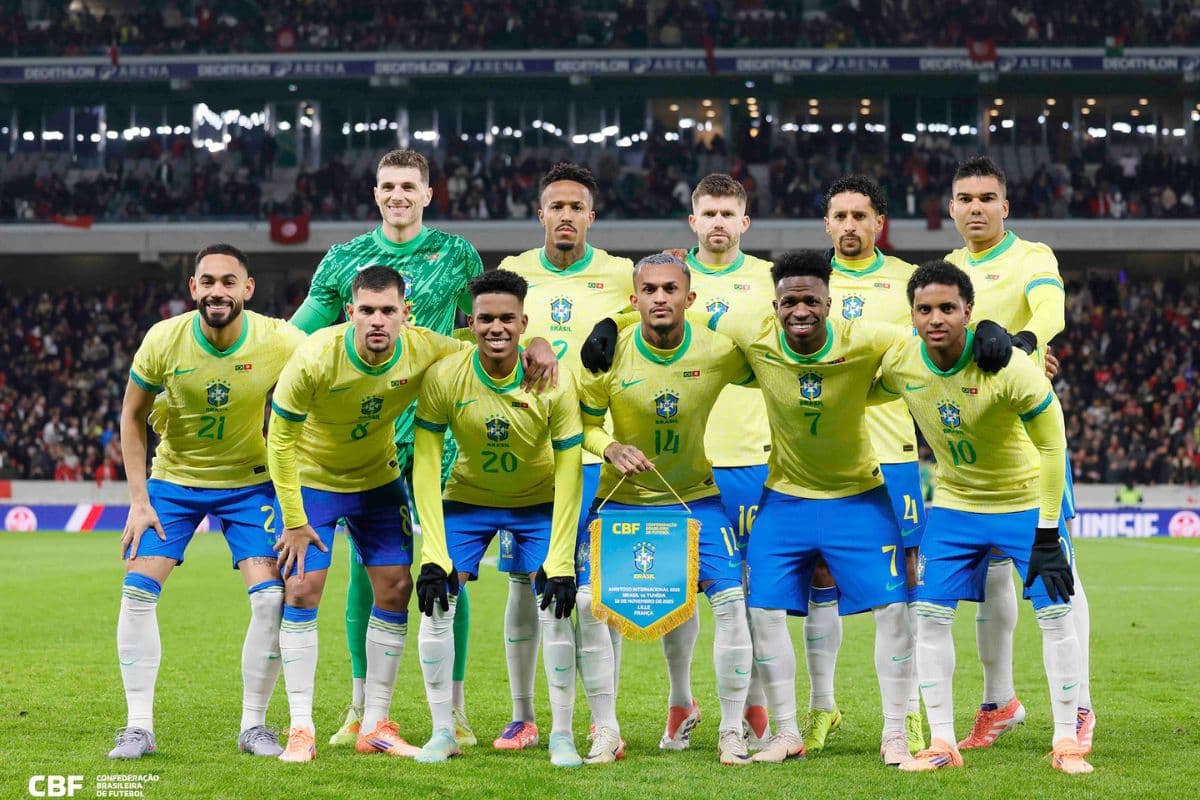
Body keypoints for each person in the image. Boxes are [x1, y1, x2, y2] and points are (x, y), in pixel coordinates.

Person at [289, 149, 553, 748]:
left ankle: (452, 710)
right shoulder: (344, 259)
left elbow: (491, 317)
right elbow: (297, 332)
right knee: (367, 575)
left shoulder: (455, 254)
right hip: (369, 437)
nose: (398, 195)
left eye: (409, 185)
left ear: (428, 194)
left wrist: (536, 338)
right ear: (375, 192)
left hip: (441, 431)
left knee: (446, 572)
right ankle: (359, 709)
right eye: (388, 185)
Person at [581, 173, 775, 751]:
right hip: (623, 500)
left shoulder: (717, 352)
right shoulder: (609, 355)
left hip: (697, 496)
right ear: (634, 298)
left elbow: (778, 370)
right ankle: (606, 730)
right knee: (593, 607)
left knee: (732, 598)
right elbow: (584, 426)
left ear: (690, 298)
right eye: (650, 291)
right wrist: (608, 447)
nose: (660, 298)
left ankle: (732, 729)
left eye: (671, 290)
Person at [878, 260, 1090, 775]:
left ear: (968, 312)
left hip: (1021, 503)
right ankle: (942, 742)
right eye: (925, 309)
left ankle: (1067, 740)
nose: (936, 319)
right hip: (954, 505)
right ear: (911, 314)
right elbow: (855, 385)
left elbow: (1052, 447)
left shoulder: (1010, 368)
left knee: (1056, 613)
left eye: (948, 308)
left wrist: (1045, 531)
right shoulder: (901, 362)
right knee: (927, 617)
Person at [712, 250, 918, 765]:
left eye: (811, 300)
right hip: (785, 500)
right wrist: (610, 323)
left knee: (894, 610)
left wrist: (1002, 343)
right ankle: (786, 733)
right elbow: (684, 313)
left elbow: (929, 343)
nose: (799, 310)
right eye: (789, 301)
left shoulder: (867, 338)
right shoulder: (754, 332)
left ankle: (895, 731)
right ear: (773, 305)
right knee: (761, 610)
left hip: (859, 498)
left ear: (831, 302)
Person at [110, 243, 306, 759]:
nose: (217, 290)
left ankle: (254, 726)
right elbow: (131, 416)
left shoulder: (278, 338)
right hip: (172, 482)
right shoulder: (164, 339)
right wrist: (138, 500)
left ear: (247, 289)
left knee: (270, 598)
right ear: (193, 288)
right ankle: (137, 727)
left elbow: (324, 370)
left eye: (228, 281)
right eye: (207, 281)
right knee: (136, 593)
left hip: (250, 482)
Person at [267, 266, 467, 763]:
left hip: (378, 480)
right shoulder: (315, 357)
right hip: (314, 482)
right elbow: (279, 439)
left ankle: (375, 723)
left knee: (397, 588)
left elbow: (482, 353)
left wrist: (538, 349)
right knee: (302, 588)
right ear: (350, 312)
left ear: (406, 314)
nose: (378, 321)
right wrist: (294, 519)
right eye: (367, 311)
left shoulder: (425, 347)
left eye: (388, 311)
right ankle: (300, 727)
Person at [945, 156, 1094, 753]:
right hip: (969, 444)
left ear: (1004, 206)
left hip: (1029, 435)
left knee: (1057, 568)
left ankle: (1079, 705)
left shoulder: (1032, 255)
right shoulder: (948, 270)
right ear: (951, 209)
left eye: (986, 198)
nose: (975, 207)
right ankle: (999, 701)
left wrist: (1026, 343)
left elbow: (1049, 308)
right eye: (965, 198)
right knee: (989, 576)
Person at [410, 269, 584, 767]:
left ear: (524, 321)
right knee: (437, 598)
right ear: (472, 322)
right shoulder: (446, 376)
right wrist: (433, 552)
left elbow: (569, 469)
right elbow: (425, 462)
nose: (496, 328)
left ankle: (562, 735)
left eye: (507, 318)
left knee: (555, 602)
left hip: (538, 502)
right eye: (485, 318)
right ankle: (443, 730)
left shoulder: (552, 380)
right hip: (467, 498)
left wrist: (560, 557)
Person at [497, 163, 633, 752]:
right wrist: (532, 340)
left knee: (599, 589)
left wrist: (612, 317)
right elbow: (489, 329)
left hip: (599, 449)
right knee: (525, 585)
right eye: (557, 206)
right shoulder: (513, 273)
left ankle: (605, 719)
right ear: (541, 214)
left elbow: (654, 311)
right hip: (531, 452)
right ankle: (524, 715)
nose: (567, 216)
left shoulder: (621, 273)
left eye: (578, 207)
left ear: (591, 217)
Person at [803, 175, 925, 754]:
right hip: (819, 455)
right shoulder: (806, 285)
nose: (850, 225)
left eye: (861, 215)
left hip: (892, 452)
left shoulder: (906, 282)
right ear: (826, 224)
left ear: (880, 222)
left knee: (900, 583)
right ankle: (822, 708)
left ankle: (902, 719)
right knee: (818, 578)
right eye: (840, 216)